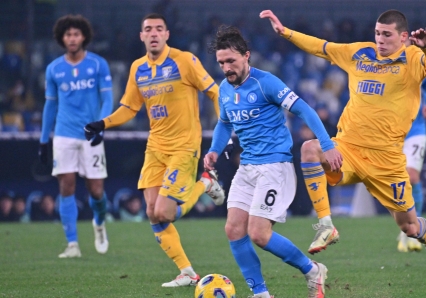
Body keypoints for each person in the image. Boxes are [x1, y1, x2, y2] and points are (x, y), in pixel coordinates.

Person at [260, 9, 426, 271]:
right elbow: (322, 47)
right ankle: (326, 225)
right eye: (377, 33)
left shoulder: (414, 57)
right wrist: (286, 32)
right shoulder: (361, 53)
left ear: (404, 36)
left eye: (386, 34)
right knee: (309, 149)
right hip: (348, 149)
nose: (380, 39)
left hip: (387, 160)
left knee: (408, 226)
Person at [84, 13, 225, 288]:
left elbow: (214, 92)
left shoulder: (185, 60)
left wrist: (223, 125)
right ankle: (188, 273)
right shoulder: (138, 68)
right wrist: (104, 123)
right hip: (155, 147)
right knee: (152, 212)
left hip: (184, 145)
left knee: (166, 211)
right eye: (148, 29)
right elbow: (129, 107)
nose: (153, 33)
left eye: (159, 29)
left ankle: (205, 183)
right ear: (141, 36)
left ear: (167, 34)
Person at [204, 25, 342, 298]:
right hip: (247, 168)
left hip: (275, 167)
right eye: (221, 63)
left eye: (231, 60)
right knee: (233, 229)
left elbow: (305, 109)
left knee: (258, 233)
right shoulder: (224, 89)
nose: (226, 67)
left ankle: (312, 270)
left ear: (247, 56)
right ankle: (261, 294)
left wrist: (327, 145)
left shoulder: (266, 82)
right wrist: (214, 150)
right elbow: (223, 124)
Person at [39, 14, 112, 258]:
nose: (72, 38)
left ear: (84, 37)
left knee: (96, 191)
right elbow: (50, 105)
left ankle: (99, 223)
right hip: (64, 134)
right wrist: (43, 139)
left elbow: (108, 99)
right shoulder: (54, 69)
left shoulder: (98, 64)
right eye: (68, 34)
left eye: (76, 34)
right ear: (62, 38)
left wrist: (100, 126)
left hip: (89, 134)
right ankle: (72, 244)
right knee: (66, 185)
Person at [397, 74, 426, 252]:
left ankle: (414, 228)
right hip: (392, 130)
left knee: (412, 176)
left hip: (416, 130)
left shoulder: (420, 64)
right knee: (399, 180)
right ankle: (406, 228)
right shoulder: (386, 61)